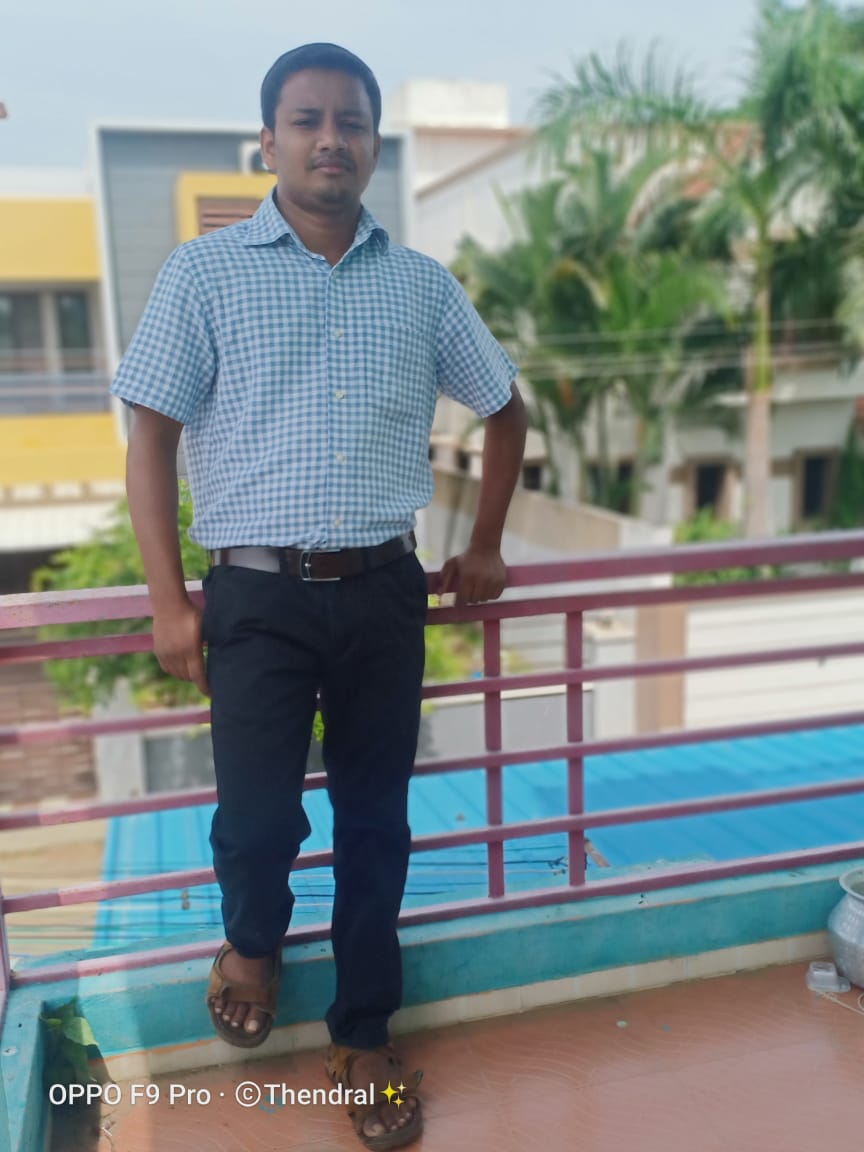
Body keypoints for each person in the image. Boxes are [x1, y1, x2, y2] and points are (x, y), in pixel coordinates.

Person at [111, 42, 526, 1150]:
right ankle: (252, 944)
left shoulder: (421, 285)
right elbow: (150, 434)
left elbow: (504, 407)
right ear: (269, 141)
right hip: (254, 598)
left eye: (350, 122)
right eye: (307, 121)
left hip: (385, 591)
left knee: (377, 823)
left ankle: (363, 1029)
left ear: (374, 145)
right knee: (256, 818)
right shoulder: (203, 274)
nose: (330, 139)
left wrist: (484, 543)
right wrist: (167, 601)